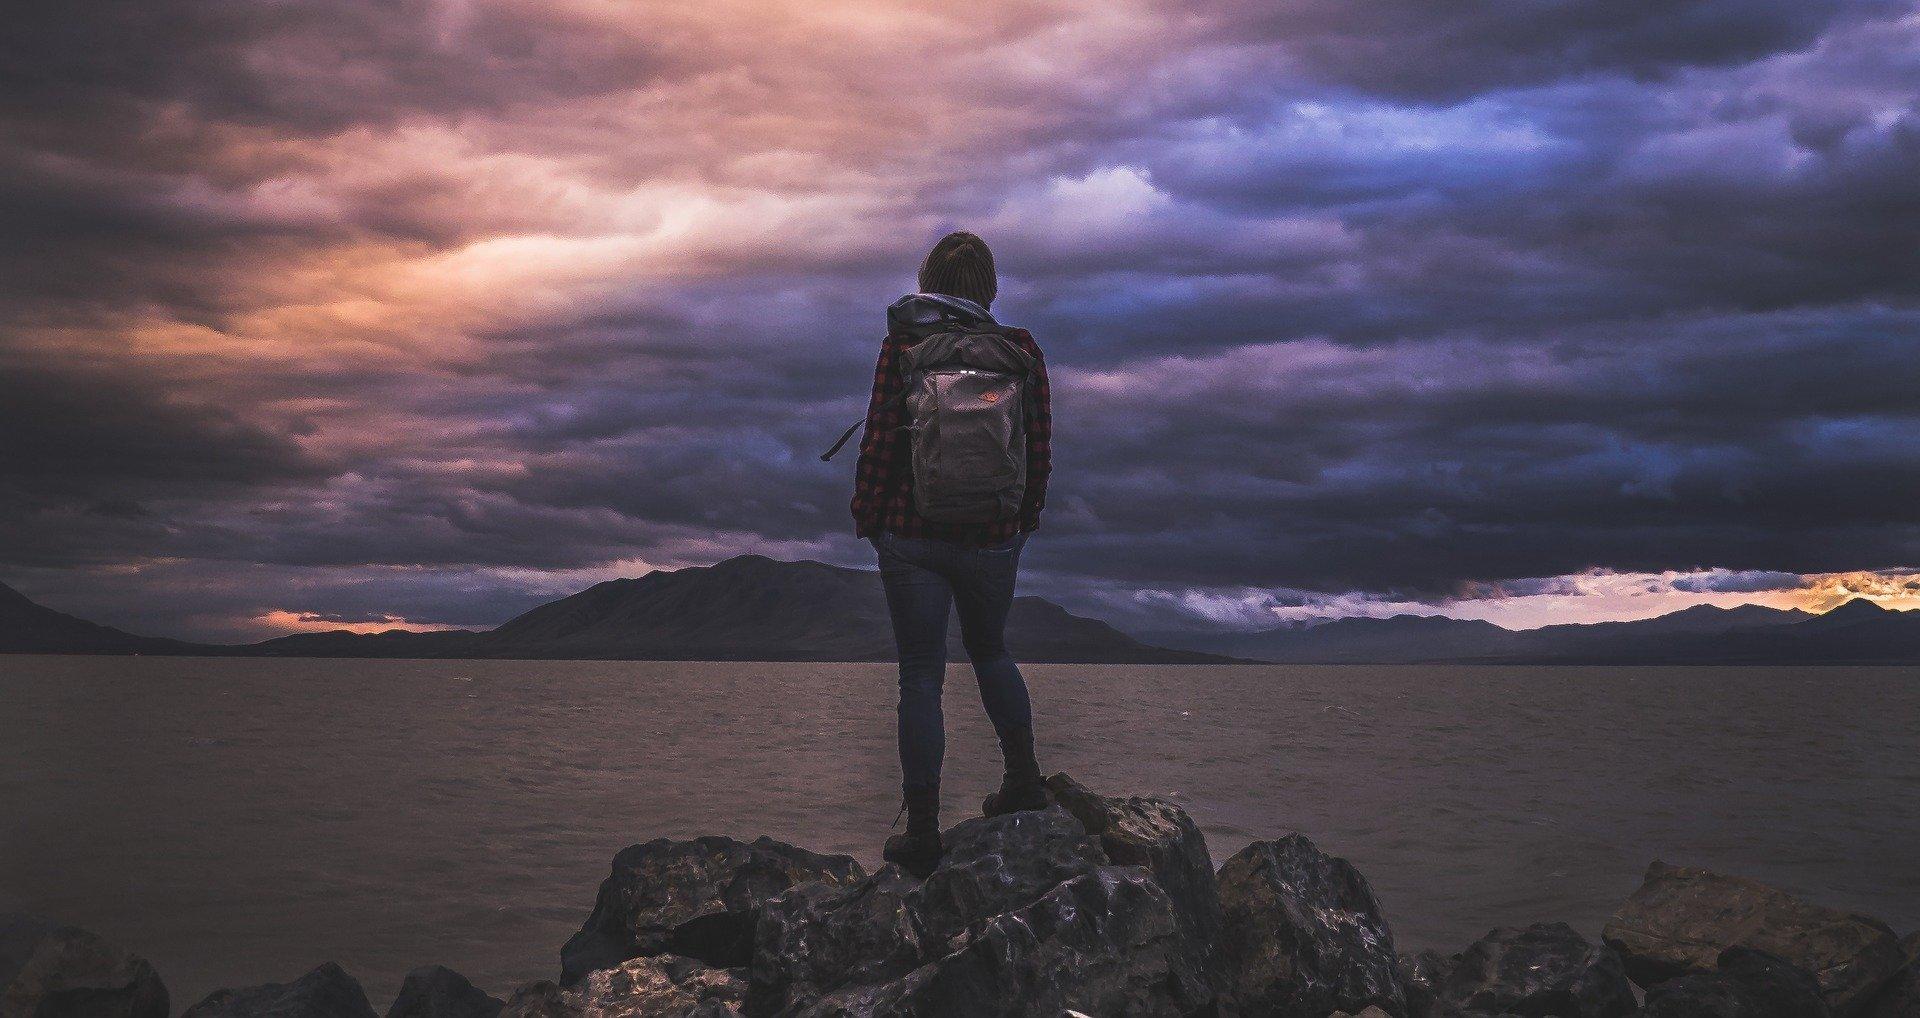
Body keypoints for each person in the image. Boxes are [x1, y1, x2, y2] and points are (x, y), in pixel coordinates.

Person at [849, 231, 1053, 875]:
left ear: (928, 278)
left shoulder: (904, 346)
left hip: (912, 538)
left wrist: (871, 518)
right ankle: (1023, 779)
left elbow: (881, 439)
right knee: (991, 651)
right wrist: (1022, 523)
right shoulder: (1019, 352)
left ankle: (924, 830)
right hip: (992, 537)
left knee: (920, 673)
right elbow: (1039, 448)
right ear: (988, 287)